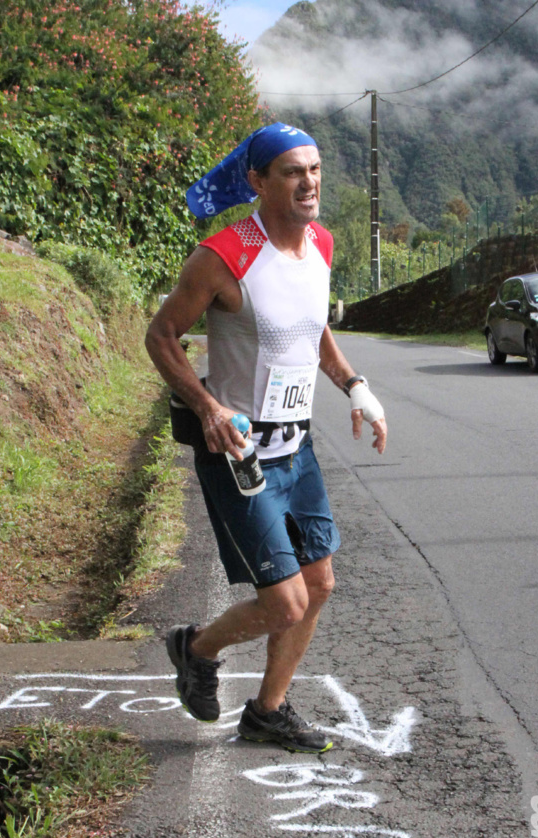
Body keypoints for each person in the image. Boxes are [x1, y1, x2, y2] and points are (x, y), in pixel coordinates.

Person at [145, 122, 387, 753]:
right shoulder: (225, 255)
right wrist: (206, 408)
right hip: (241, 454)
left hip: (297, 446)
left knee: (321, 583)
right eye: (291, 171)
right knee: (283, 602)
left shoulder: (322, 246)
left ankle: (267, 712)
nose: (308, 182)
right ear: (258, 181)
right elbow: (161, 335)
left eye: (314, 169)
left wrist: (355, 386)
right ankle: (194, 648)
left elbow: (311, 333)